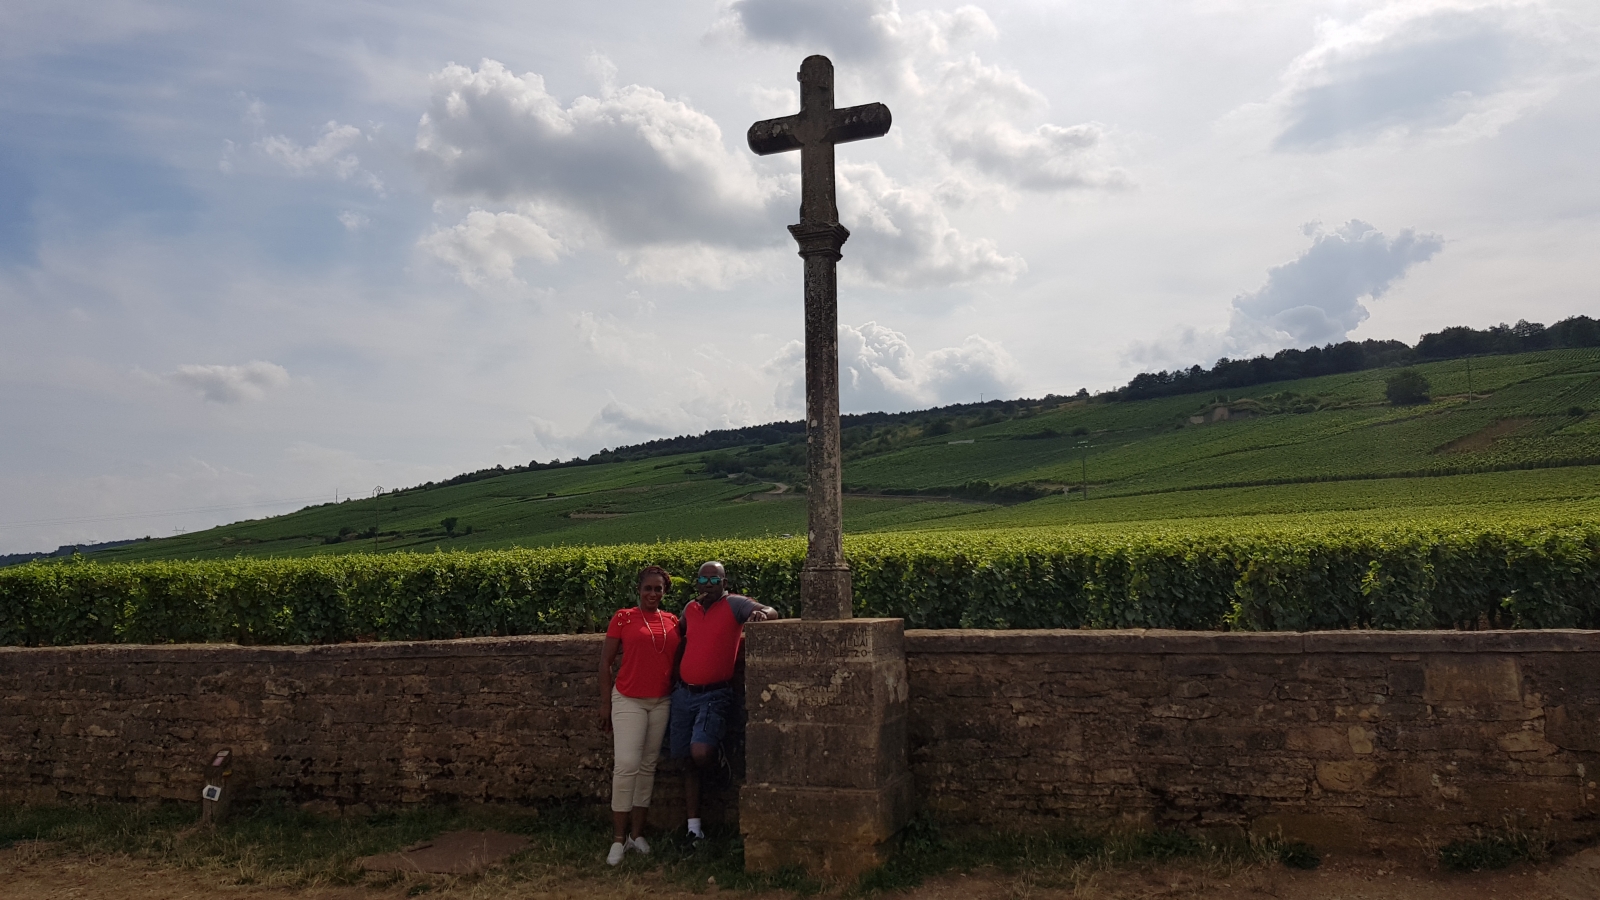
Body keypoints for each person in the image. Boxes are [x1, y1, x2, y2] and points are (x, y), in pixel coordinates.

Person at [669, 560, 778, 841]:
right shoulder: (690, 609)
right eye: (703, 580)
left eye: (714, 580)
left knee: (701, 753)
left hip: (714, 693)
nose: (708, 585)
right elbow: (678, 635)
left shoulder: (734, 605)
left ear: (724, 583)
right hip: (683, 693)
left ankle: (721, 766)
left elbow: (768, 610)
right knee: (684, 761)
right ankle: (694, 830)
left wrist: (764, 615)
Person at [599, 565, 681, 865]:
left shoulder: (672, 621)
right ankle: (618, 839)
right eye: (648, 588)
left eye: (658, 589)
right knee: (626, 765)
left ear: (664, 591)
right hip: (629, 700)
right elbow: (606, 662)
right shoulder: (624, 617)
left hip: (661, 701)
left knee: (647, 767)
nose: (653, 593)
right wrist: (606, 705)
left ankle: (637, 834)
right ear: (639, 589)